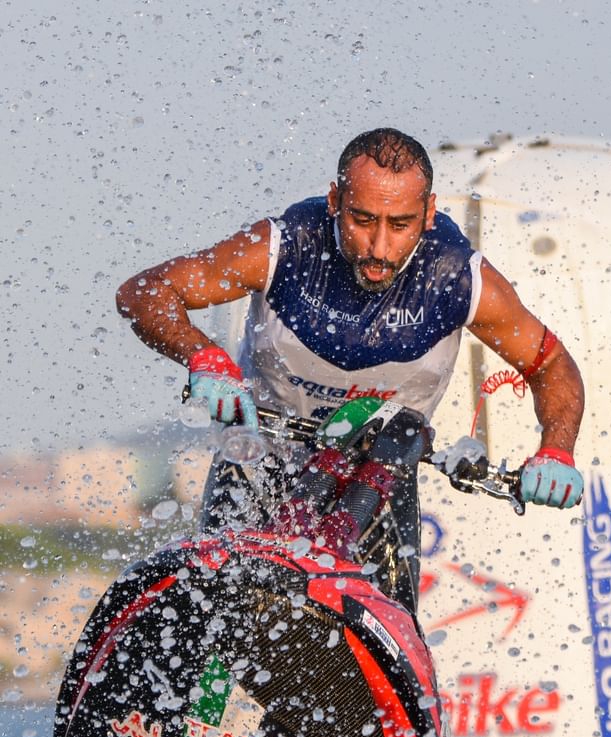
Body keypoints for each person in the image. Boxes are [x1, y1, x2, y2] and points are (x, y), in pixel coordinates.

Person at [116, 128, 585, 608]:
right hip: (260, 458)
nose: (379, 248)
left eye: (400, 225)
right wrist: (204, 358)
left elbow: (550, 363)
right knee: (211, 612)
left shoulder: (459, 277)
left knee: (389, 636)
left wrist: (556, 450)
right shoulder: (283, 246)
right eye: (362, 220)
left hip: (379, 472)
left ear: (427, 214)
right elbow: (145, 291)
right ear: (335, 201)